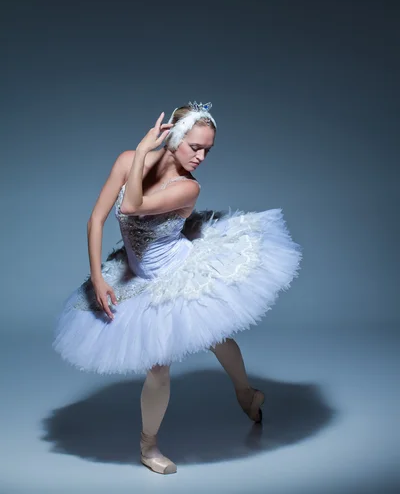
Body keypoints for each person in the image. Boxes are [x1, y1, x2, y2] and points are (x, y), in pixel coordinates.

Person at [53, 101, 302, 475]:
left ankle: (236, 397)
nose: (201, 156)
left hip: (178, 269)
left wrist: (141, 150)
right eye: (195, 147)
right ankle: (159, 440)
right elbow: (96, 219)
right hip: (138, 273)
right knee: (166, 363)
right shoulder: (126, 161)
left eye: (207, 150)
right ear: (175, 139)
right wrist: (98, 276)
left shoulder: (188, 188)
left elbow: (133, 204)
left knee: (212, 337)